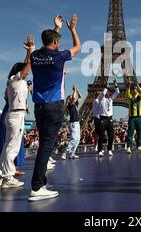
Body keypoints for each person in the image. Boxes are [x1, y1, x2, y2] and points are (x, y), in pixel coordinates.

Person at [28, 14, 81, 201]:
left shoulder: (34, 56)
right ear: (56, 43)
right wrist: (72, 29)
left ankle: (41, 183)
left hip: (39, 107)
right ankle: (36, 187)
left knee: (44, 144)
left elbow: (46, 47)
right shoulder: (59, 57)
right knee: (46, 147)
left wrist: (55, 30)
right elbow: (78, 47)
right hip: (53, 107)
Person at [0, 35, 34, 188]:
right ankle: (7, 177)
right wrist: (31, 50)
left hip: (14, 114)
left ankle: (4, 174)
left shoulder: (13, 81)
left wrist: (28, 52)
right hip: (16, 115)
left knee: (8, 146)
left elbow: (25, 65)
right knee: (11, 147)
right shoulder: (16, 79)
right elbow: (27, 67)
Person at [97, 79, 120, 157]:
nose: (108, 93)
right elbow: (103, 93)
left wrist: (115, 84)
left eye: (109, 92)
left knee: (111, 135)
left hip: (109, 119)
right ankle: (100, 150)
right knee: (101, 135)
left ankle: (109, 149)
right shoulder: (101, 98)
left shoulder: (110, 99)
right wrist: (106, 86)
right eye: (107, 92)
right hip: (103, 118)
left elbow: (117, 92)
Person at [61, 86, 82, 160]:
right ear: (69, 100)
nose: (72, 98)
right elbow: (73, 97)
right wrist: (74, 91)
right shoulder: (70, 105)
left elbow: (80, 96)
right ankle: (64, 152)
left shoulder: (75, 104)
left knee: (78, 139)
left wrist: (77, 90)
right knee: (73, 139)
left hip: (77, 123)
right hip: (73, 123)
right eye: (70, 98)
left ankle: (72, 153)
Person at [126, 80, 141, 154]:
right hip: (132, 117)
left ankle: (139, 146)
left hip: (139, 117)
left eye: (135, 89)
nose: (134, 90)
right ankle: (129, 147)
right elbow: (127, 95)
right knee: (130, 132)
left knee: (139, 132)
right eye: (133, 89)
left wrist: (138, 86)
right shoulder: (130, 97)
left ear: (137, 90)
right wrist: (128, 87)